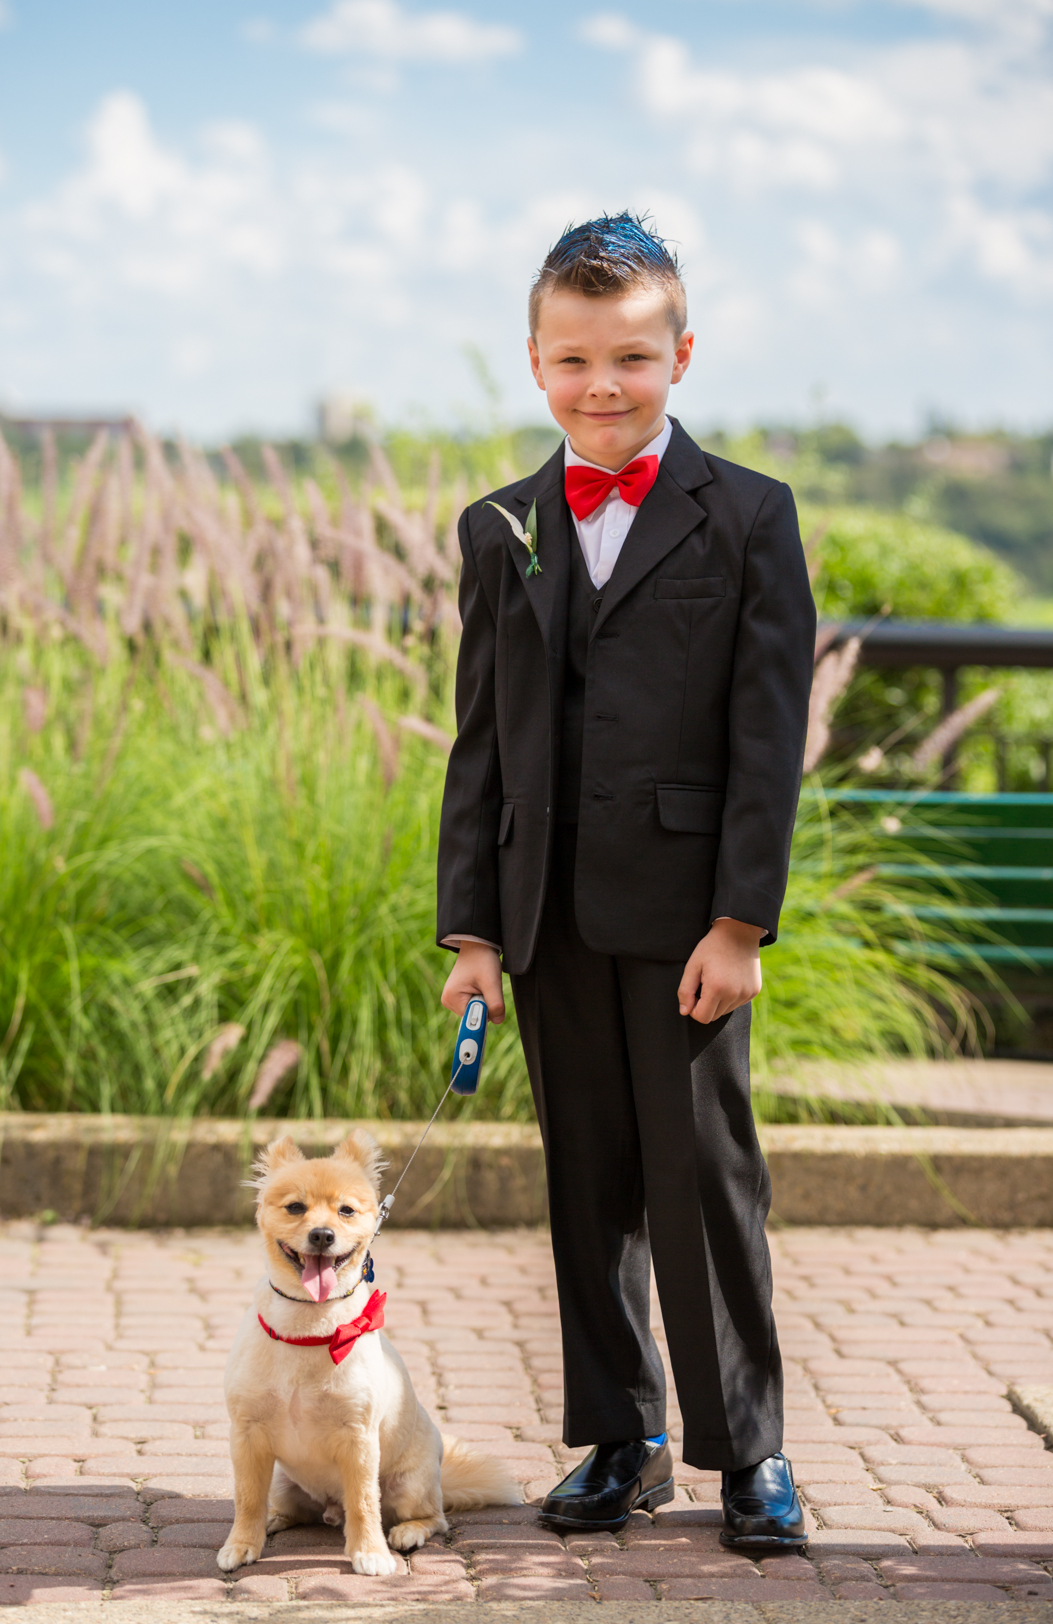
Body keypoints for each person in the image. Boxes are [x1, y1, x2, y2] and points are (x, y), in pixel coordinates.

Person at [436, 213, 815, 1546]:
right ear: (536, 363)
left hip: (685, 920)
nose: (605, 385)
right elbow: (479, 739)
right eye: (577, 358)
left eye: (634, 359)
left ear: (682, 356)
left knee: (705, 1182)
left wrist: (742, 920)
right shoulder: (502, 528)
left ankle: (748, 1455)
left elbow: (770, 742)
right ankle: (620, 1437)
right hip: (543, 918)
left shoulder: (753, 518)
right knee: (584, 1183)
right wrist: (472, 929)